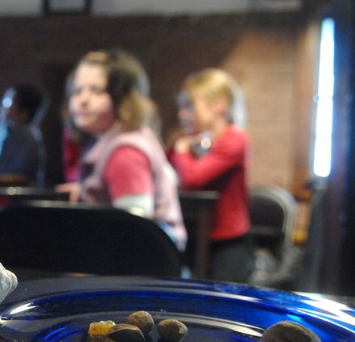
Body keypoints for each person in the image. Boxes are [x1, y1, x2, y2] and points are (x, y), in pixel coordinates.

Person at [60, 49, 186, 251]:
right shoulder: (109, 139)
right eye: (77, 91)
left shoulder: (126, 152)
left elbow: (133, 229)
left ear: (124, 98)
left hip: (144, 268)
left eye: (97, 90)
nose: (82, 100)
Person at [168, 68, 253, 283]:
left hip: (226, 243)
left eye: (189, 105)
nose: (182, 114)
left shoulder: (235, 138)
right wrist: (179, 147)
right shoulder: (189, 139)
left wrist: (181, 150)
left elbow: (192, 179)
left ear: (219, 105)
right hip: (193, 238)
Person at [0, 83, 48, 186]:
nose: (1, 106)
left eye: (7, 102)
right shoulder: (1, 129)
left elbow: (16, 175)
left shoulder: (27, 137)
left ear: (24, 113)